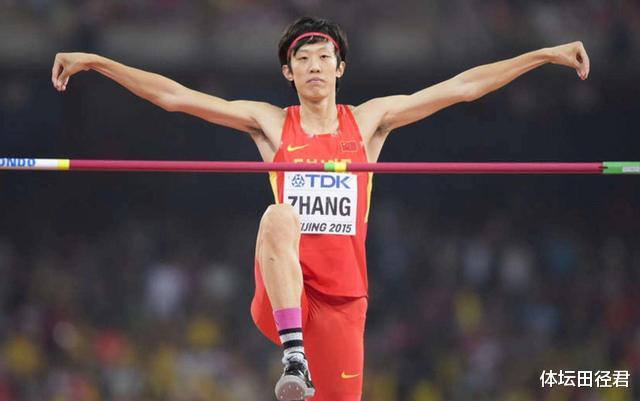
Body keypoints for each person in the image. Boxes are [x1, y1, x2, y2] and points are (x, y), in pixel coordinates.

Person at [51, 16, 590, 401]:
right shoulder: (270, 123)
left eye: (323, 58)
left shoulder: (370, 121)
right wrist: (97, 62)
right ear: (288, 72)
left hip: (343, 304)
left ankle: (303, 367)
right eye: (302, 60)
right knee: (277, 217)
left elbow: (463, 87)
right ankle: (293, 355)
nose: (313, 66)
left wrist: (544, 55)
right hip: (286, 297)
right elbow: (175, 97)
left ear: (340, 67)